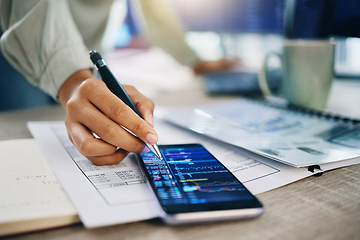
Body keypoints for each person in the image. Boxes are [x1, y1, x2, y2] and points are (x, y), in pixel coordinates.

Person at [0, 0, 230, 166]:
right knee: (21, 142)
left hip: (90, 58)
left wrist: (191, 59)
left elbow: (156, 9)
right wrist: (72, 79)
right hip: (18, 44)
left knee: (87, 121)